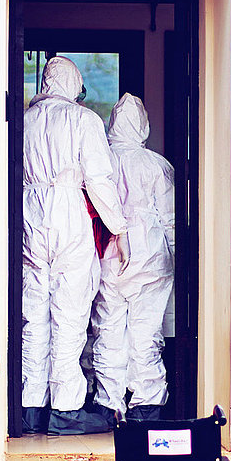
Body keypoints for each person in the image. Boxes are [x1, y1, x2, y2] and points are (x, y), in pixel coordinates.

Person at [21, 56, 129, 434]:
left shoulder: (25, 120)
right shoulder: (83, 120)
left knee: (34, 313)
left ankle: (31, 406)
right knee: (69, 312)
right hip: (68, 214)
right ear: (73, 83)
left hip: (31, 213)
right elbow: (98, 178)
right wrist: (119, 228)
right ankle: (65, 410)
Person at [89, 93, 176, 421]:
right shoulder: (156, 165)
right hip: (151, 259)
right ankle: (147, 404)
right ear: (143, 125)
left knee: (108, 328)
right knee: (145, 330)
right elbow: (170, 219)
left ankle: (109, 403)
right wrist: (177, 256)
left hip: (110, 255)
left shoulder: (101, 160)